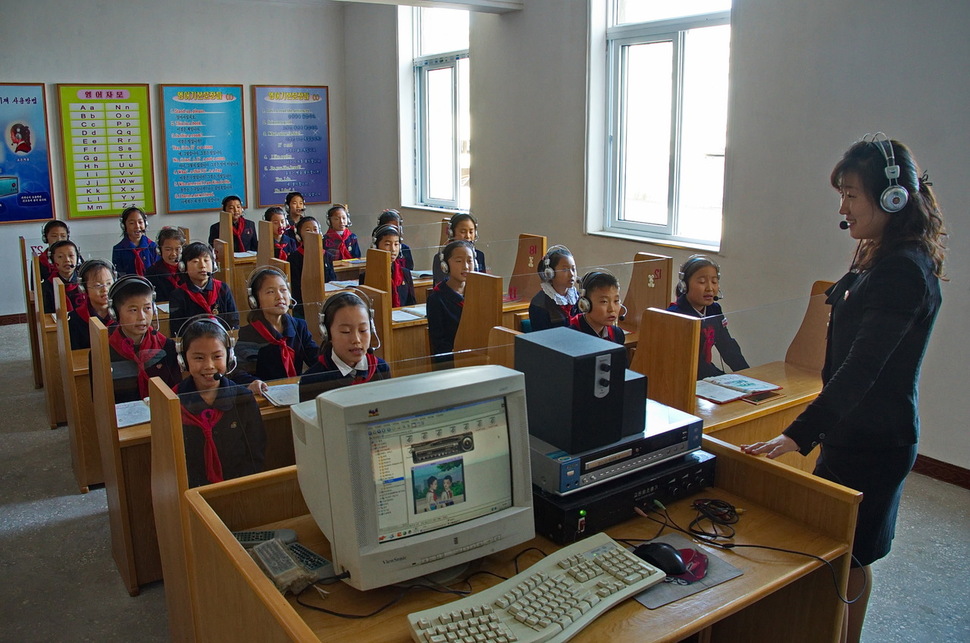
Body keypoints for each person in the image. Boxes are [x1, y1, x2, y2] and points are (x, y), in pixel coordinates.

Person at [740, 135, 946, 643]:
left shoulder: (903, 270)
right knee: (845, 551)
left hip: (875, 441)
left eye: (851, 195)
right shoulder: (882, 254)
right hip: (857, 431)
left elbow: (863, 368)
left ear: (892, 197)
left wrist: (798, 434)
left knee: (848, 554)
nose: (842, 207)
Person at [174, 315, 266, 489]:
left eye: (217, 356)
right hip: (191, 493)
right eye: (199, 358)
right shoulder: (173, 400)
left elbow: (255, 453)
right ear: (183, 359)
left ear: (229, 357)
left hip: (239, 489)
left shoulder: (243, 398)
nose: (209, 366)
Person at [667, 255, 749, 380]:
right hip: (681, 377)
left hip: (704, 374)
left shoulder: (714, 309)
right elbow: (689, 362)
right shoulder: (675, 315)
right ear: (684, 285)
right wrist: (721, 379)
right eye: (702, 282)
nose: (710, 288)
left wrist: (748, 375)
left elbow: (727, 347)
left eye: (714, 282)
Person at [105, 275, 181, 403]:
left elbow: (175, 394)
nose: (142, 317)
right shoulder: (105, 351)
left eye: (147, 308)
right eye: (133, 310)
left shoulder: (167, 347)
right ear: (115, 313)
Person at [300, 290, 391, 395]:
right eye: (346, 331)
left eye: (363, 330)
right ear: (326, 333)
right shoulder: (313, 380)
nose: (356, 339)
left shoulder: (381, 369)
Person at [237, 266, 318, 381]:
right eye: (270, 292)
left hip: (296, 391)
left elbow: (316, 359)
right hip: (266, 394)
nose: (279, 296)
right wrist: (253, 382)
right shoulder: (249, 333)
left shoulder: (299, 326)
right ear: (255, 301)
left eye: (283, 290)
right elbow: (239, 373)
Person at [168, 241, 239, 334]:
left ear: (213, 264)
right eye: (195, 261)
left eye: (206, 260)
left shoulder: (222, 288)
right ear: (183, 267)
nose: (202, 266)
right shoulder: (179, 295)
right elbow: (177, 329)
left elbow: (233, 321)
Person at [426, 240, 475, 364]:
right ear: (445, 266)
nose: (466, 266)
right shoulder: (437, 299)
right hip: (452, 362)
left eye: (469, 260)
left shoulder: (479, 292)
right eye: (459, 261)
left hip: (478, 356)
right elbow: (440, 343)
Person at [288, 216, 336, 319]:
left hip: (327, 303)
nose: (312, 233)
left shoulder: (327, 255)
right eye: (308, 230)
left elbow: (333, 281)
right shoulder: (294, 258)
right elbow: (295, 287)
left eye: (315, 229)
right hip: (304, 306)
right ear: (299, 235)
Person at [528, 244, 579, 331]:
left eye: (573, 269)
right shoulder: (539, 303)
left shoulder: (577, 297)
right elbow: (542, 338)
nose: (571, 274)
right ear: (550, 273)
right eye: (565, 269)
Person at [67, 259, 116, 349]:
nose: (105, 289)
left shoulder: (122, 315)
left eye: (109, 283)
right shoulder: (74, 319)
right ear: (83, 288)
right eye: (98, 285)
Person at [568, 271, 626, 345]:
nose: (612, 309)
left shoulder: (617, 334)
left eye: (616, 301)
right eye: (604, 302)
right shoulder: (570, 337)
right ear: (585, 304)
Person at [367, 224, 416, 307]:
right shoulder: (368, 275)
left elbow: (411, 303)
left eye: (396, 244)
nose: (393, 249)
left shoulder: (405, 274)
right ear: (376, 247)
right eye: (387, 244)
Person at [432, 213, 486, 284]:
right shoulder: (441, 258)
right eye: (463, 232)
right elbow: (443, 284)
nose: (468, 236)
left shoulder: (479, 255)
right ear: (451, 233)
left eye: (471, 232)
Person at [112, 207, 159, 276]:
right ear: (124, 226)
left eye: (140, 222)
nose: (137, 226)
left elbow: (158, 272)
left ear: (145, 224)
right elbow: (119, 276)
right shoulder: (118, 249)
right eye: (132, 223)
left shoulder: (152, 247)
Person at [42, 240, 86, 313]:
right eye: (60, 257)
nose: (67, 260)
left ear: (77, 258)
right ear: (52, 261)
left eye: (71, 255)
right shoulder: (47, 286)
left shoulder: (85, 280)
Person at [144, 227, 186, 302]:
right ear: (159, 250)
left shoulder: (188, 268)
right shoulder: (152, 272)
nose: (173, 254)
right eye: (168, 249)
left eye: (177, 249)